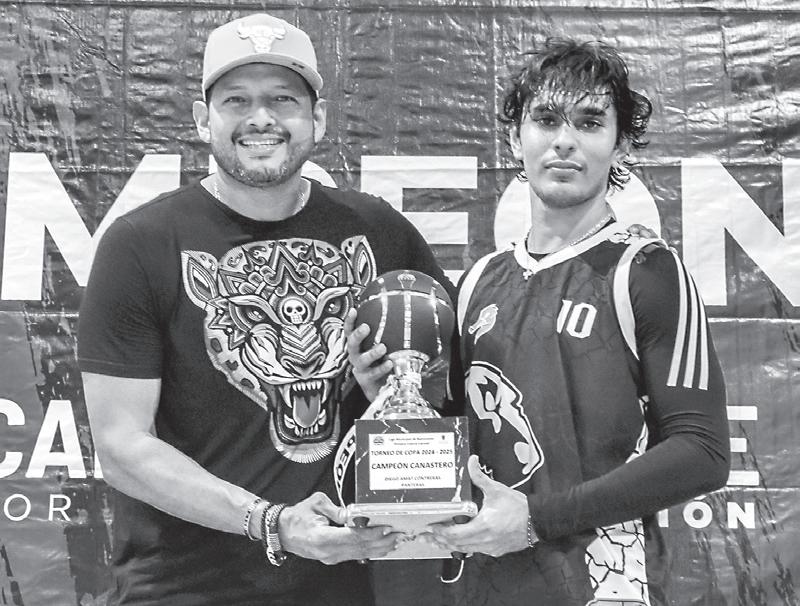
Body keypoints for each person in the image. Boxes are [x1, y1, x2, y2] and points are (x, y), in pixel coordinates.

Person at [77, 13, 450, 606]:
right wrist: (272, 523)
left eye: (282, 99)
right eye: (236, 100)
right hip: (184, 586)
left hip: (346, 584)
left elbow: (445, 391)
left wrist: (394, 390)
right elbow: (122, 448)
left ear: (317, 119)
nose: (261, 118)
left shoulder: (378, 231)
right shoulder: (141, 244)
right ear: (202, 118)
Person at [348, 39, 729, 605]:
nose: (564, 141)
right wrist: (391, 399)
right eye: (546, 120)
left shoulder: (646, 270)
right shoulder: (479, 281)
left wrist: (535, 520)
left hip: (605, 584)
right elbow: (463, 436)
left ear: (621, 145)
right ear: (514, 138)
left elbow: (703, 452)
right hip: (488, 585)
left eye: (590, 122)